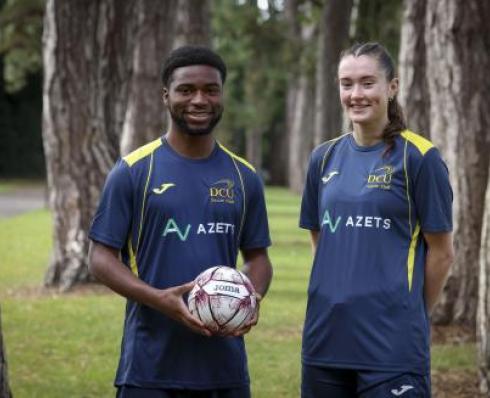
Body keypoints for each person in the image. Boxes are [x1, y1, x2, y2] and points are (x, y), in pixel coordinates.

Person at [88, 45, 273, 398]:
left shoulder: (244, 176)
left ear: (222, 95)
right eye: (186, 90)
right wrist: (159, 299)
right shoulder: (133, 171)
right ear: (165, 96)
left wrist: (252, 298)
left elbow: (258, 257)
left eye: (211, 90)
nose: (199, 100)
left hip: (225, 370)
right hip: (150, 368)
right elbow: (100, 258)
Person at [299, 42, 454, 397]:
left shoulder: (420, 158)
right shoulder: (322, 158)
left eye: (368, 82)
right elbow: (321, 239)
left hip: (392, 346)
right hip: (325, 340)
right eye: (346, 83)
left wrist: (410, 313)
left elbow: (442, 253)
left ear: (392, 87)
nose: (356, 94)